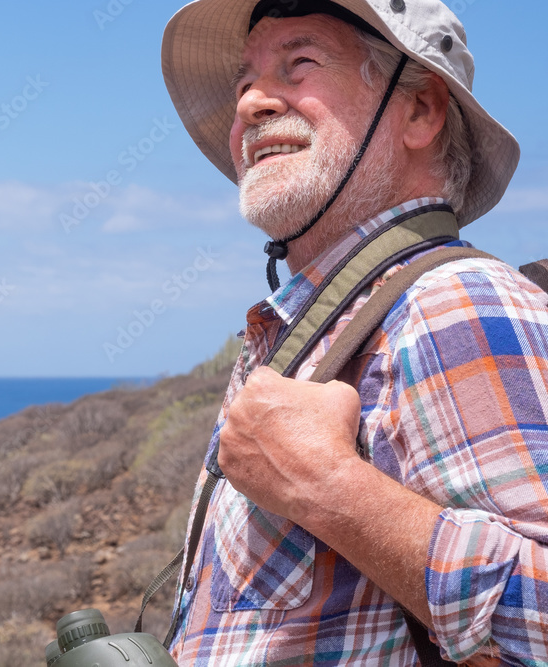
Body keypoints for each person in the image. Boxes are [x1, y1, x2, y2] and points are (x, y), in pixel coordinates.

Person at [160, 0, 548, 664]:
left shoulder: (452, 302)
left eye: (299, 63)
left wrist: (332, 488)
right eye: (243, 82)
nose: (251, 102)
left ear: (421, 111)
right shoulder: (328, 325)